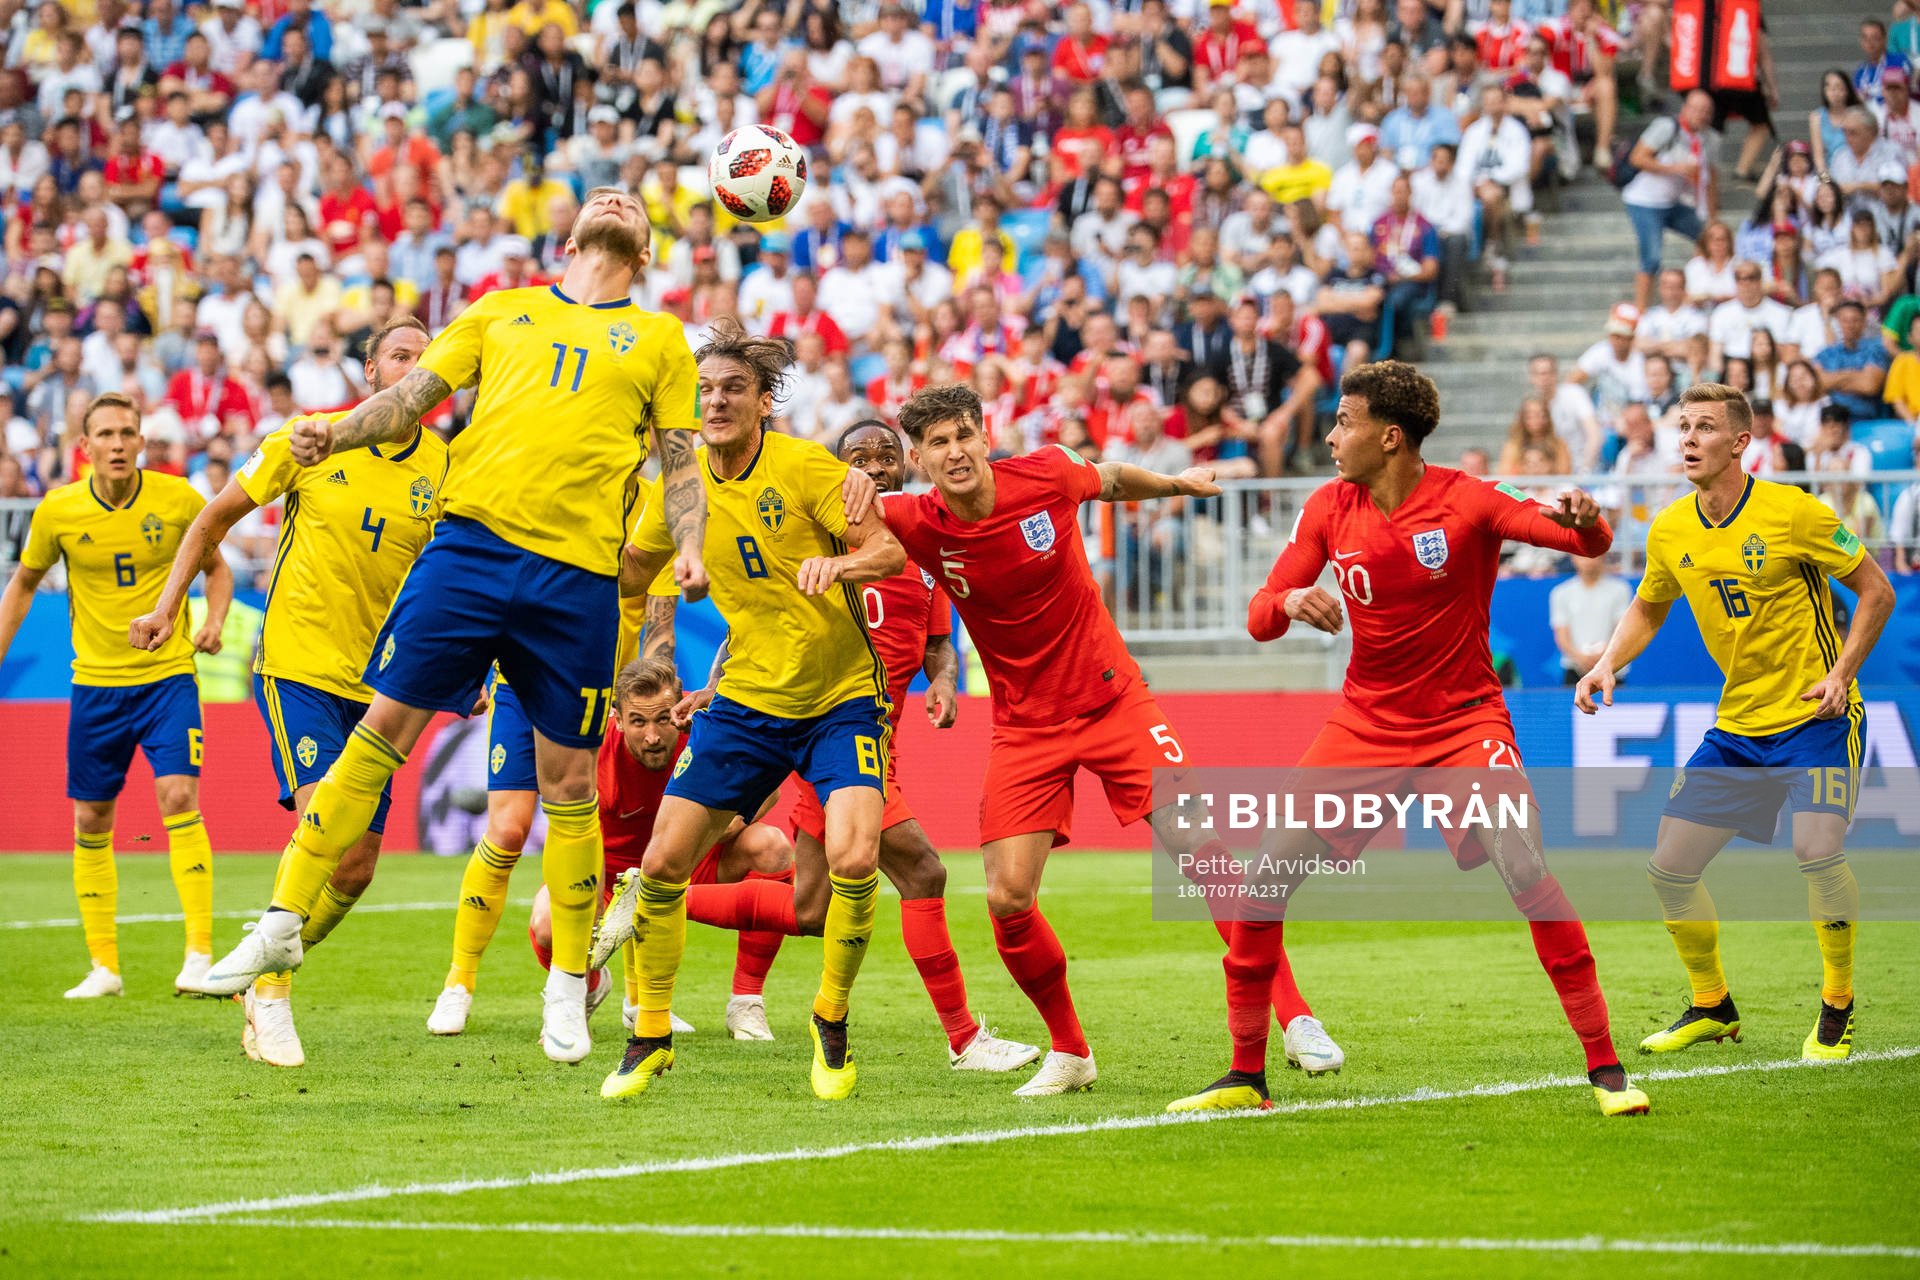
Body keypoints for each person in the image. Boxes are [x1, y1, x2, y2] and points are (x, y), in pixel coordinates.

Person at [182, 189, 709, 1078]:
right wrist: (336, 434)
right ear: (571, 235)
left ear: (647, 252)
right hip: (468, 549)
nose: (616, 201)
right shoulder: (501, 312)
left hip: (576, 575)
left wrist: (687, 544)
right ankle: (278, 928)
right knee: (384, 729)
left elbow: (682, 459)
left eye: (633, 205)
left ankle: (566, 980)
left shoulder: (660, 339)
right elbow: (412, 400)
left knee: (569, 778)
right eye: (601, 199)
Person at [1197, 360, 1649, 1118]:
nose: (1333, 435)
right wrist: (1289, 600)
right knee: (1263, 883)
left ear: (1391, 436)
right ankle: (1245, 1077)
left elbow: (1583, 538)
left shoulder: (1467, 501)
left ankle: (1606, 1071)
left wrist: (1584, 515)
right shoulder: (1328, 508)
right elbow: (1259, 613)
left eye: (1345, 422)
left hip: (1464, 721)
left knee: (1523, 863)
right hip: (1366, 723)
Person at [880, 383, 1322, 1099]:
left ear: (987, 437)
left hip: (1114, 698)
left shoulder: (1047, 474)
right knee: (1007, 896)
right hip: (1025, 727)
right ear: (920, 459)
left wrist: (1177, 480)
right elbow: (823, 514)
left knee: (1202, 855)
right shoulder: (913, 520)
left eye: (965, 434)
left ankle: (1296, 1016)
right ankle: (1071, 1052)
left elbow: (1112, 478)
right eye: (938, 443)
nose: (955, 451)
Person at [597, 319, 902, 1102]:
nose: (716, 401)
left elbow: (889, 553)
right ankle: (651, 1036)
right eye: (705, 390)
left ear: (765, 400)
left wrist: (840, 560)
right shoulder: (681, 485)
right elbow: (634, 571)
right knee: (662, 864)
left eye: (734, 388)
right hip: (744, 701)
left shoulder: (807, 466)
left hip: (839, 700)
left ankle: (830, 1020)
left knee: (855, 861)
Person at [677, 420, 1042, 1071]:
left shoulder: (919, 551)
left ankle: (671, 905)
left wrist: (946, 685)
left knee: (810, 906)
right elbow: (758, 624)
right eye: (858, 459)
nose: (874, 469)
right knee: (923, 871)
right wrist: (716, 687)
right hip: (829, 737)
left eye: (884, 458)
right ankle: (963, 1039)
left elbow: (937, 646)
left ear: (903, 466)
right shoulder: (814, 536)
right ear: (837, 469)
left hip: (874, 742)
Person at [130, 317, 446, 1067]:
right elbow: (213, 518)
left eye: (425, 361)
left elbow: (449, 577)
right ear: (369, 372)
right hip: (300, 659)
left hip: (385, 682)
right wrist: (169, 604)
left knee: (359, 865)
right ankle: (270, 997)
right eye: (399, 355)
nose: (412, 369)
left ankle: (257, 972)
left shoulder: (449, 468)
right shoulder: (310, 439)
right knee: (322, 822)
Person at [1576, 383, 1895, 1063]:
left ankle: (1837, 1005)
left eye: (1704, 428)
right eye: (1682, 426)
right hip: (1739, 725)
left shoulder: (1792, 512)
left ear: (1740, 443)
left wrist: (1840, 674)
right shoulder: (1670, 527)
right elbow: (1650, 606)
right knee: (1669, 867)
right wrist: (1607, 663)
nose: (1687, 439)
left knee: (1816, 850)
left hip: (1817, 716)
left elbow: (1877, 589)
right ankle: (1712, 1004)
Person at [0, 392, 232, 999]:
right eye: (106, 434)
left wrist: (214, 620)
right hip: (95, 686)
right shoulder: (58, 511)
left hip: (167, 677)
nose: (119, 444)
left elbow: (218, 569)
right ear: (85, 447)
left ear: (142, 442)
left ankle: (200, 955)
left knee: (179, 794)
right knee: (92, 818)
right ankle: (104, 967)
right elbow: (24, 584)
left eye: (128, 432)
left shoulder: (179, 500)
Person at [1622, 91, 1718, 313]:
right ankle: (1641, 311)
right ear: (1685, 108)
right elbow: (1637, 157)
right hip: (1645, 201)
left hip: (1672, 202)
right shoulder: (1666, 127)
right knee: (1652, 257)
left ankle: (1698, 292)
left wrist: (1712, 215)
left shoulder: (1707, 139)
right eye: (1696, 109)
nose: (1700, 115)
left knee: (1708, 236)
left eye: (1706, 111)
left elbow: (1710, 179)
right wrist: (1675, 169)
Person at [1550, 554, 1632, 684]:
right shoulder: (1561, 593)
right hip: (1574, 669)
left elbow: (1622, 629)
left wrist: (1605, 656)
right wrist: (1580, 658)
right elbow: (1561, 634)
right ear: (1573, 558)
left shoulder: (1620, 589)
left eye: (1592, 554)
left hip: (1612, 669)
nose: (1588, 560)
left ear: (1603, 556)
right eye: (1581, 555)